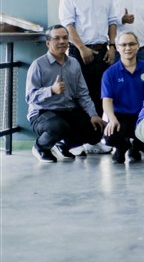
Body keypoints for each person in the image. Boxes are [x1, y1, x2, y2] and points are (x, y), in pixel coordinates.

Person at [58, 0, 119, 132]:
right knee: (79, 94)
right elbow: (68, 24)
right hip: (79, 51)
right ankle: (79, 137)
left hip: (102, 51)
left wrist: (112, 46)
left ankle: (94, 137)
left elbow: (112, 21)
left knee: (100, 93)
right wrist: (82, 48)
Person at [26, 25, 104, 162]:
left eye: (65, 38)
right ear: (48, 43)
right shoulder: (38, 65)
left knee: (96, 129)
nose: (62, 41)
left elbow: (82, 93)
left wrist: (93, 114)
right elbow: (30, 97)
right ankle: (40, 148)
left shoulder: (74, 63)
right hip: (43, 112)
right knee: (59, 127)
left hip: (68, 110)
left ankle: (63, 145)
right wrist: (51, 90)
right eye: (57, 38)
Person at [101, 31, 144, 164]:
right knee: (110, 136)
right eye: (123, 45)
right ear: (117, 48)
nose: (128, 48)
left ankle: (136, 146)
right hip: (121, 117)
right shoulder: (110, 73)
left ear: (138, 46)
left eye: (132, 44)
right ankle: (123, 146)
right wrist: (112, 119)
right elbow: (107, 100)